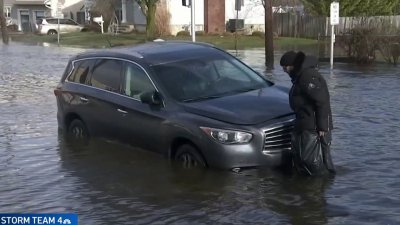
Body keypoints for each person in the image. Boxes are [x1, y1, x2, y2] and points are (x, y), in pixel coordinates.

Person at [280, 51, 336, 176]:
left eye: (285, 67)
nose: (284, 70)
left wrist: (322, 127)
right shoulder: (300, 76)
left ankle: (319, 186)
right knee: (305, 158)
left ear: (292, 65)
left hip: (313, 126)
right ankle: (311, 186)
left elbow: (322, 101)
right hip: (305, 123)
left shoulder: (307, 76)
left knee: (314, 161)